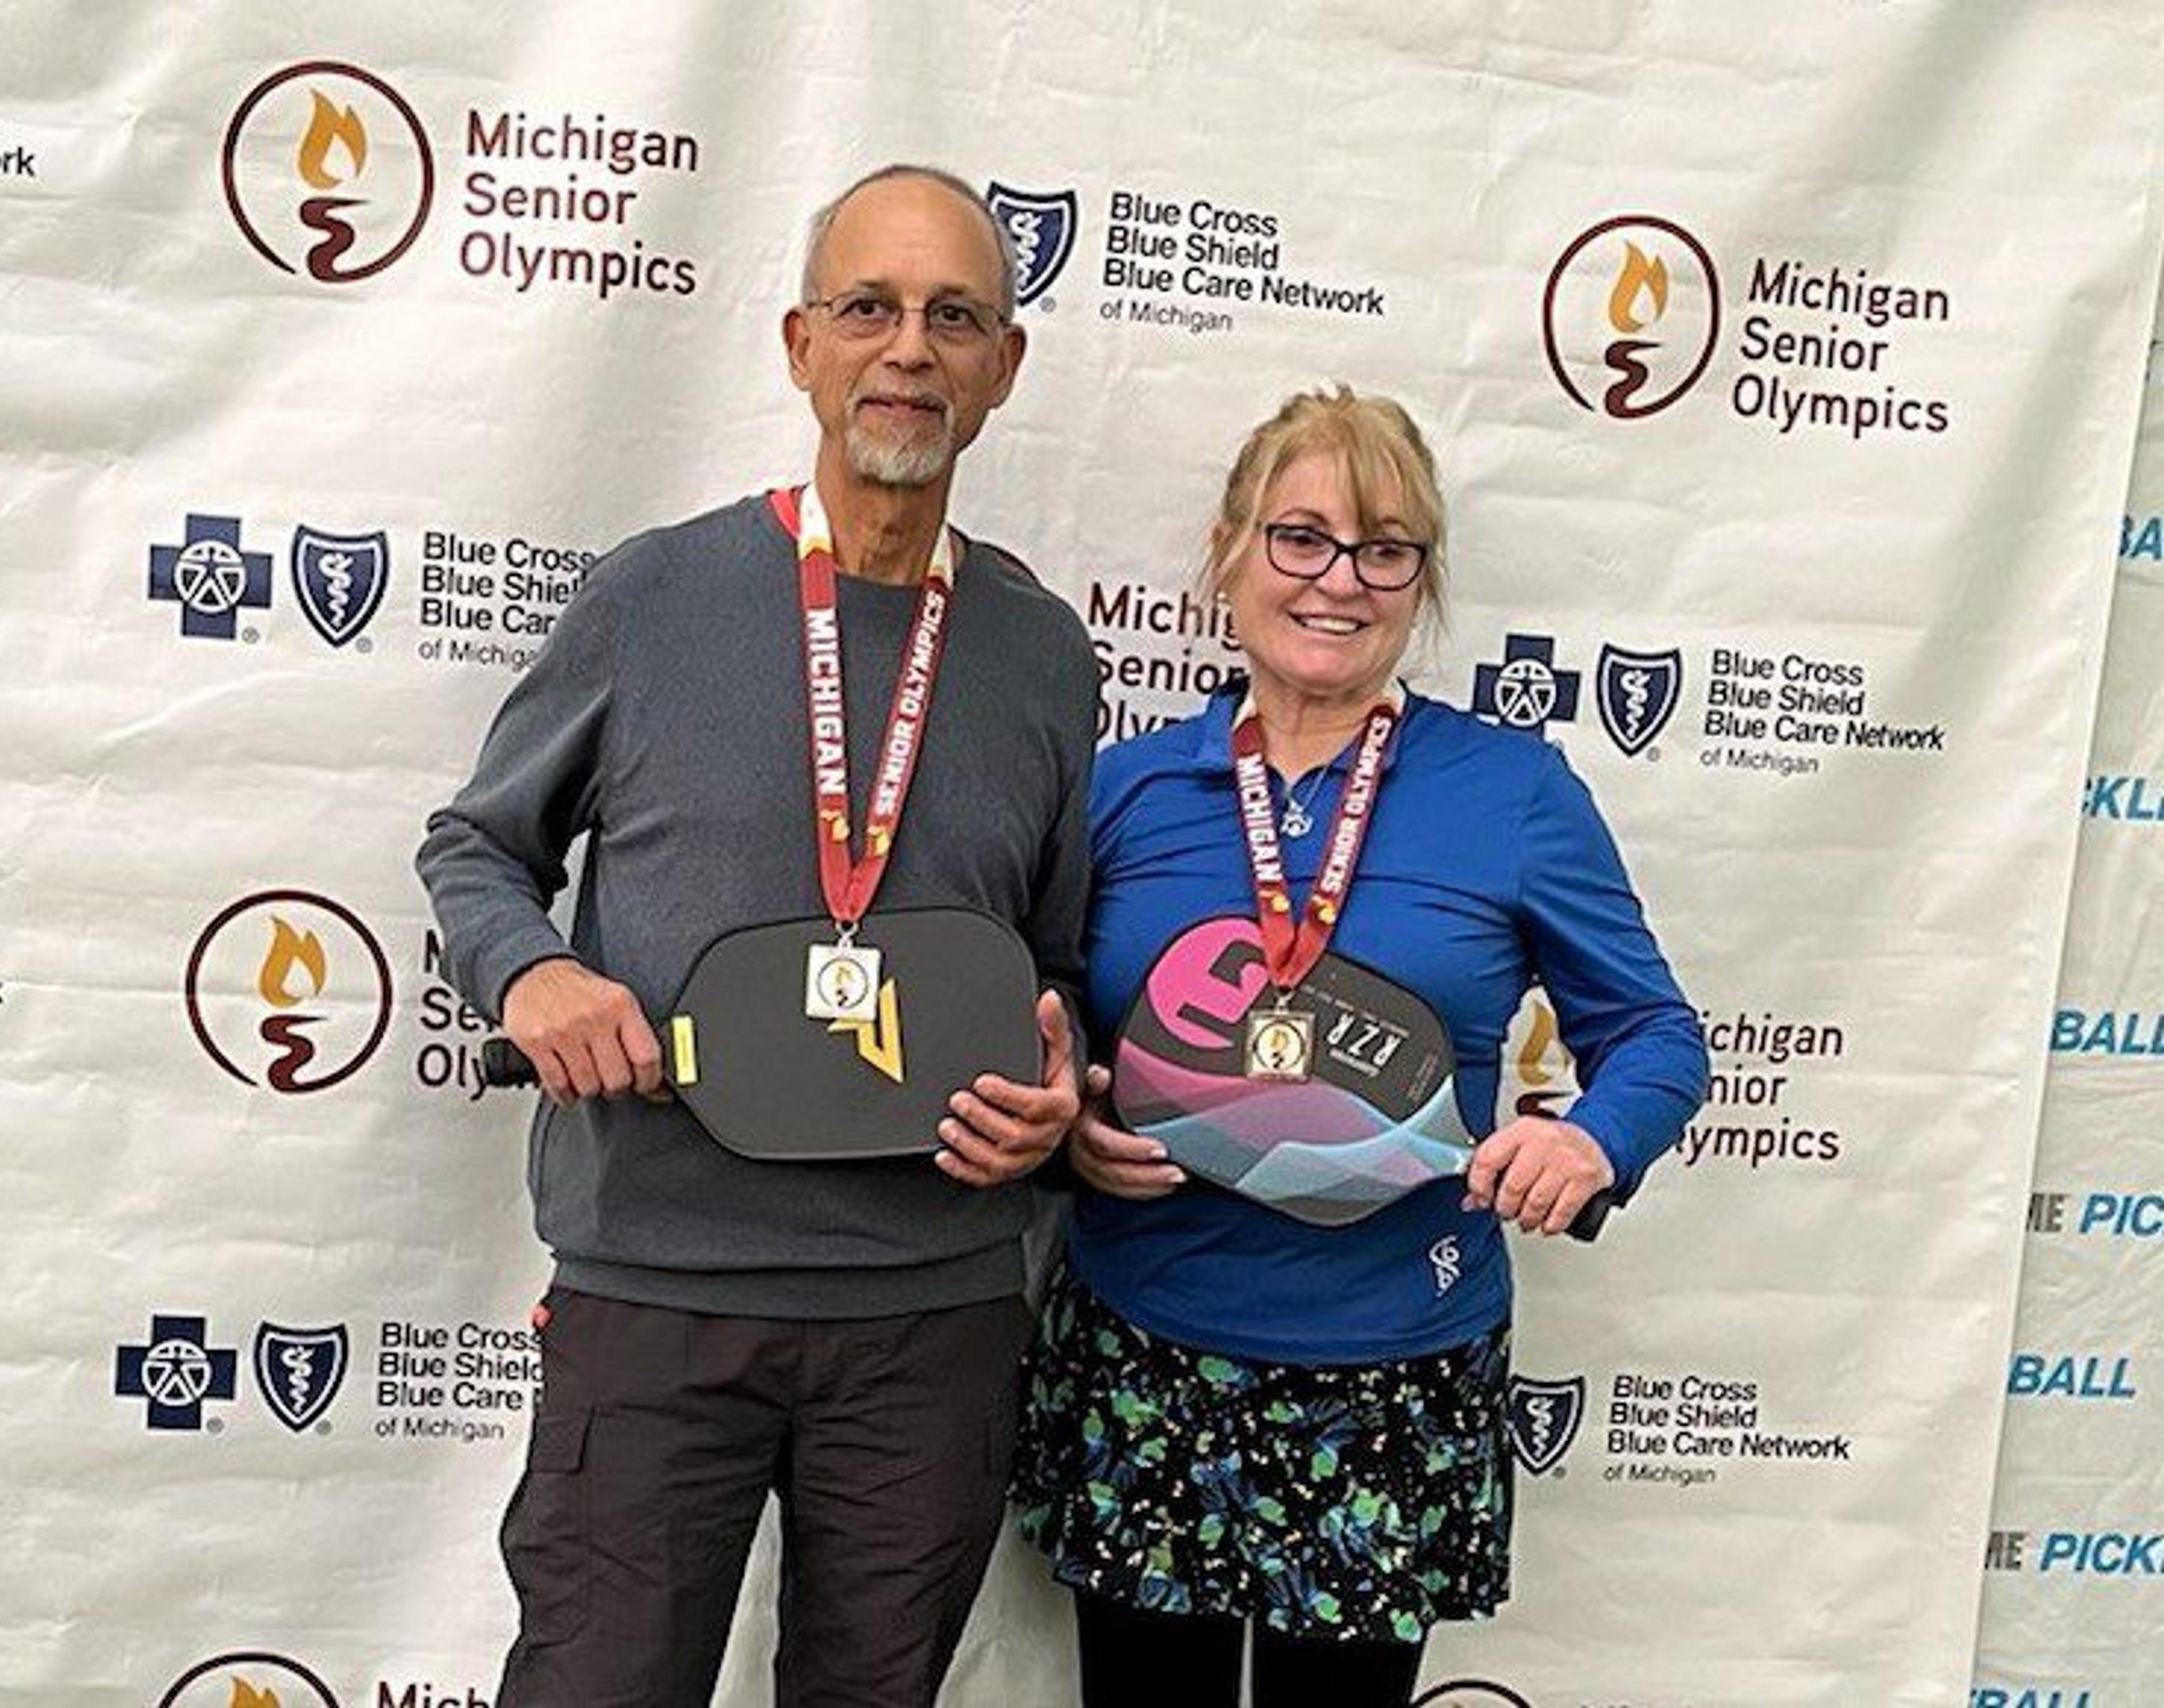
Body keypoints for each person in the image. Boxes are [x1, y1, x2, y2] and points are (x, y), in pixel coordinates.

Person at [416, 164, 1098, 1708]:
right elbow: (477, 846)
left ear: (1005, 365)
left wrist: (1056, 1096)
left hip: (931, 1315)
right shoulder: (651, 598)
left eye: (953, 315)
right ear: (802, 345)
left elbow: (1052, 966)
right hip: (659, 1295)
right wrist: (532, 968)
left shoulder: (1046, 656)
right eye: (869, 308)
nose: (908, 349)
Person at [1013, 386, 1708, 1704]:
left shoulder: (1512, 795)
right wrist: (1072, 1134)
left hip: (1395, 1370)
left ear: (1420, 582)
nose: (1341, 580)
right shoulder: (1124, 789)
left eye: (1386, 549)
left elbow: (1658, 1035)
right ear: (1230, 550)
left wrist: (1593, 1137)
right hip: (1151, 1347)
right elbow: (1047, 1024)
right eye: (1302, 538)